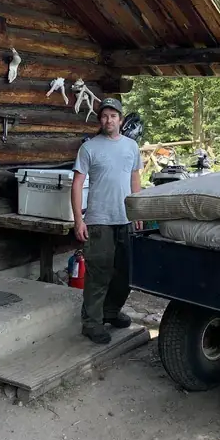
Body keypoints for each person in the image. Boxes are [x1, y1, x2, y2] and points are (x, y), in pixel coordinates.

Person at [71, 98, 143, 345]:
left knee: (125, 272)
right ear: (100, 120)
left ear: (121, 120)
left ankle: (111, 312)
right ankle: (91, 323)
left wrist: (138, 212)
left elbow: (135, 179)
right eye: (104, 116)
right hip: (98, 221)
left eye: (113, 115)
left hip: (125, 219)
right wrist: (78, 220)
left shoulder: (132, 147)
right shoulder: (89, 148)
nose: (108, 120)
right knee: (99, 274)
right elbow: (77, 183)